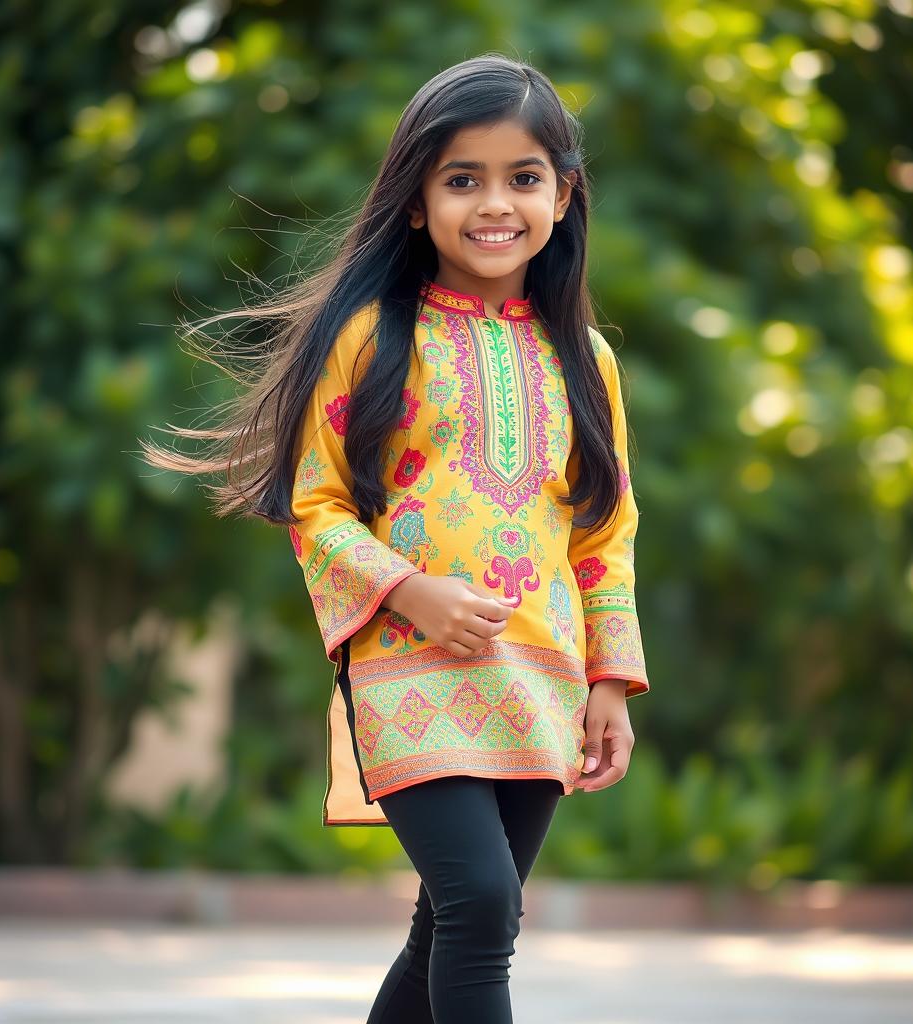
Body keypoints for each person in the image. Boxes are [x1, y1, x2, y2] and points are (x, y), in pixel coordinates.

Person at [143, 52, 649, 1024]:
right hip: (406, 666)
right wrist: (409, 591)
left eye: (522, 177)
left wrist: (609, 679)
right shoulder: (372, 335)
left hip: (538, 674)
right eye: (462, 179)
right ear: (416, 202)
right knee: (482, 904)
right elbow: (316, 503)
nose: (493, 203)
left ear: (563, 193)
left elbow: (605, 527)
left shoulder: (588, 361)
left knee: (445, 926)